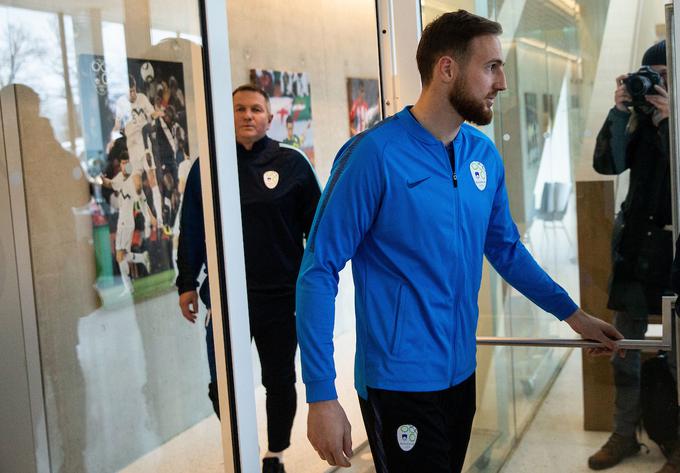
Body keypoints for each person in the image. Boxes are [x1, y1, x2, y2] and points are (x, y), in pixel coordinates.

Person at [295, 10, 622, 473]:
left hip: (460, 374)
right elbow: (319, 270)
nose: (502, 82)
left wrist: (572, 315)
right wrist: (321, 394)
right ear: (447, 69)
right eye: (491, 67)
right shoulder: (374, 156)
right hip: (398, 384)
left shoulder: (481, 155)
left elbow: (505, 249)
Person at [175, 84, 321, 473]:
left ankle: (274, 454)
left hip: (279, 299)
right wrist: (186, 282)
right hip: (225, 301)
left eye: (256, 109)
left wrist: (314, 284)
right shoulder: (209, 168)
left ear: (270, 118)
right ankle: (244, 446)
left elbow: (319, 232)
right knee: (221, 385)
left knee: (279, 381)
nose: (247, 115)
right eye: (239, 109)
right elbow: (191, 227)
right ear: (229, 115)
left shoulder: (292, 165)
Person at [589, 40, 676, 472]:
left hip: (674, 252)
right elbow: (606, 164)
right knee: (624, 349)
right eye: (649, 74)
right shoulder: (635, 118)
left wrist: (667, 121)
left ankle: (677, 446)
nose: (654, 83)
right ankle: (624, 433)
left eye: (663, 74)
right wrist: (621, 110)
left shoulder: (670, 120)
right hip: (636, 249)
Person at [113, 74, 166, 232]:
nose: (133, 94)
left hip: (144, 144)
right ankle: (148, 219)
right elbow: (117, 125)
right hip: (132, 148)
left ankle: (160, 220)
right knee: (137, 188)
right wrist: (112, 137)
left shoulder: (142, 99)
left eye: (134, 90)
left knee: (152, 180)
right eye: (130, 91)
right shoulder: (121, 104)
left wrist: (159, 113)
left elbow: (152, 113)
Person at [100, 151, 153, 293]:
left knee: (119, 255)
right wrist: (102, 180)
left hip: (126, 222)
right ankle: (141, 258)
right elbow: (111, 184)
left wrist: (149, 217)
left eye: (126, 163)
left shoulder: (132, 182)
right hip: (122, 222)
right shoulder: (120, 178)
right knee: (121, 255)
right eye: (122, 163)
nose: (124, 166)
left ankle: (128, 288)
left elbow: (141, 198)